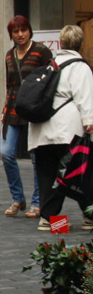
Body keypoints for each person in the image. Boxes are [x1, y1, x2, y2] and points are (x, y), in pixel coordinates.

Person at [28, 25, 93, 231]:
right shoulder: (80, 67)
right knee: (78, 173)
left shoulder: (51, 64)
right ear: (80, 43)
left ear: (61, 43)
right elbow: (85, 97)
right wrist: (89, 121)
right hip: (67, 132)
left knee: (48, 175)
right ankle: (89, 217)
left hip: (42, 132)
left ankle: (49, 220)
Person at [1, 16, 53, 218]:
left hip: (35, 112)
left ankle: (37, 203)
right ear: (11, 35)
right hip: (12, 111)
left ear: (29, 31)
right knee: (6, 153)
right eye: (16, 31)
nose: (20, 34)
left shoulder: (41, 51)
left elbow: (51, 80)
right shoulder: (9, 55)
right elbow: (9, 85)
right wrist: (4, 110)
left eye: (23, 30)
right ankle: (17, 198)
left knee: (36, 158)